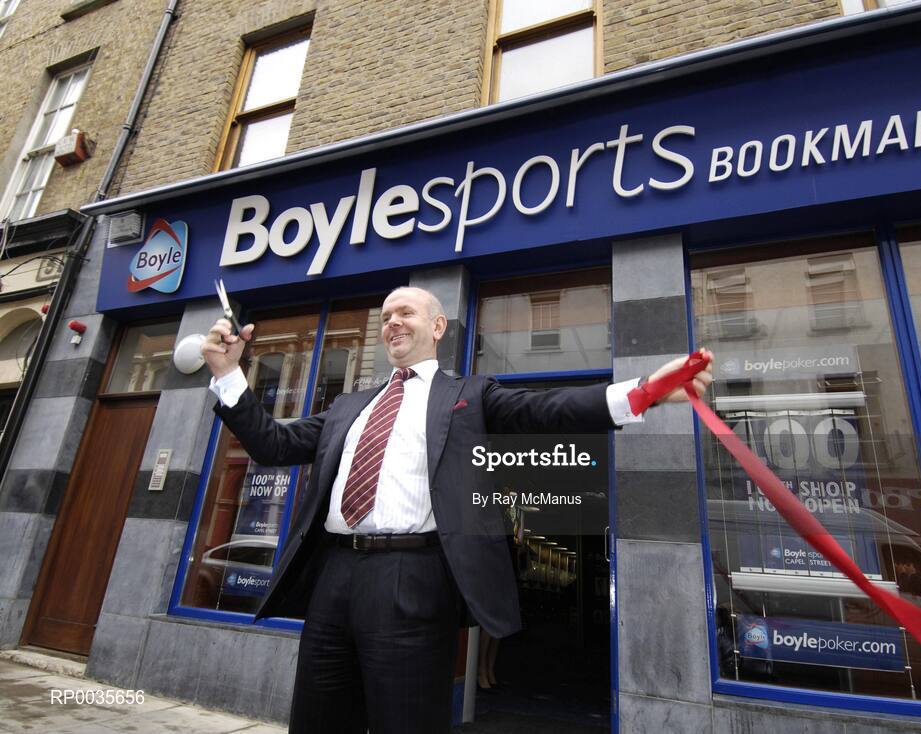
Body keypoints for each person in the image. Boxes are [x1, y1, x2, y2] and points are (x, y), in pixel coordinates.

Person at [201, 286, 712, 733]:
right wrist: (227, 372)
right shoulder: (348, 406)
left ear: (438, 326)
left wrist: (644, 393)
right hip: (332, 575)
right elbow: (272, 444)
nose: (392, 323)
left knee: (407, 721)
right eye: (384, 317)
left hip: (413, 578)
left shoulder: (469, 395)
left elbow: (546, 409)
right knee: (317, 719)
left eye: (405, 312)